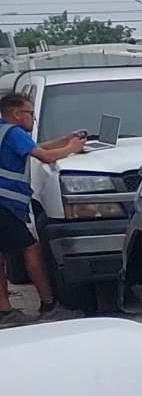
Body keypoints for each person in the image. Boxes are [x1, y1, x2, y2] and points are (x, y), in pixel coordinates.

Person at [0, 87, 89, 317]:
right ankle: (49, 305)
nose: (33, 117)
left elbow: (35, 149)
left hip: (3, 205)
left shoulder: (4, 131)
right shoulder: (14, 132)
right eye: (31, 113)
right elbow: (45, 157)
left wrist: (64, 140)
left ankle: (4, 310)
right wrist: (72, 149)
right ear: (17, 114)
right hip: (4, 205)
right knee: (31, 248)